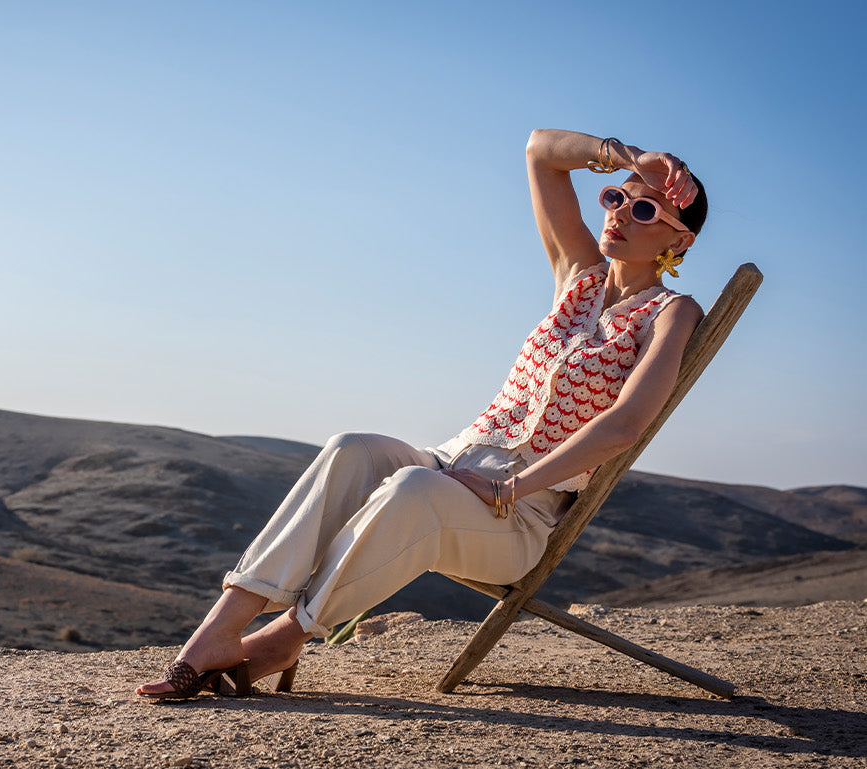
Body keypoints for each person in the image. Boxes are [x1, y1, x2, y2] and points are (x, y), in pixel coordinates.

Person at [136, 129, 709, 700]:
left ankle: (287, 636)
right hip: (451, 460)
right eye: (615, 197)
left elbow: (625, 424)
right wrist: (629, 157)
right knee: (350, 448)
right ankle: (220, 629)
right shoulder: (577, 277)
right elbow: (540, 152)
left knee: (412, 487)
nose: (619, 213)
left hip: (520, 512)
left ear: (678, 241)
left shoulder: (670, 312)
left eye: (643, 208)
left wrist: (510, 487)